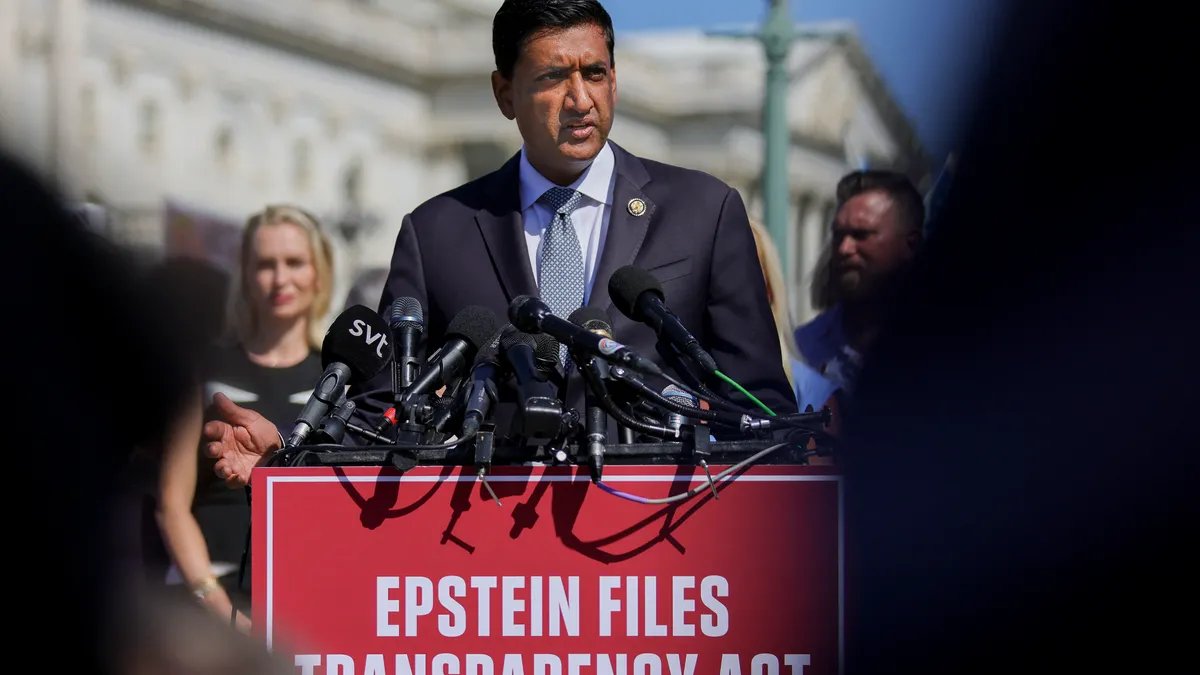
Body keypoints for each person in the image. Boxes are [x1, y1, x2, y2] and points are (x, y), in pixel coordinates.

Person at [205, 0, 796, 486]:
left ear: (614, 79)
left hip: (656, 546)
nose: (580, 99)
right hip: (489, 561)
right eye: (551, 77)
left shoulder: (703, 211)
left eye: (594, 73)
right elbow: (384, 411)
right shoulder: (438, 231)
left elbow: (759, 401)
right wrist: (286, 456)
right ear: (504, 93)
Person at [156, 205, 334, 627]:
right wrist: (217, 606)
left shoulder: (339, 377)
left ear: (318, 273)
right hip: (204, 603)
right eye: (265, 264)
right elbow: (171, 503)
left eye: (294, 262)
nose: (280, 279)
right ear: (246, 275)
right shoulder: (205, 367)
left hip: (304, 606)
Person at [792, 169, 924, 414]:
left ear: (911, 244)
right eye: (838, 235)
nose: (844, 248)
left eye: (861, 235)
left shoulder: (952, 351)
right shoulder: (804, 349)